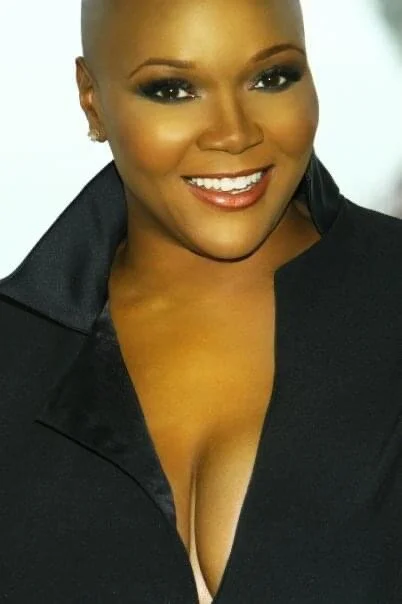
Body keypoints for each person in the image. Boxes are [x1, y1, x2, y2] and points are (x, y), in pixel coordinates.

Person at [1, 0, 402, 602]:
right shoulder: (13, 355)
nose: (234, 133)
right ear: (92, 99)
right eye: (171, 89)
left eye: (272, 77)